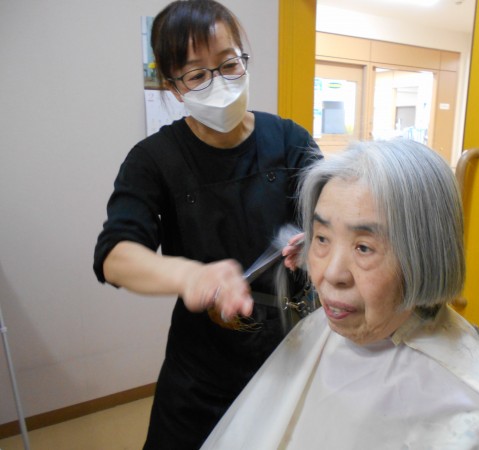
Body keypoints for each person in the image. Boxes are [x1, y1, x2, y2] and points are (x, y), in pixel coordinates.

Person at [201, 139, 479, 449]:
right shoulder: (321, 330)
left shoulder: (470, 414)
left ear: (424, 257)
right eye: (322, 238)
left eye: (364, 247)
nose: (330, 274)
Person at [93, 1, 321, 448]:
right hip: (202, 369)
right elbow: (115, 255)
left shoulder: (288, 139)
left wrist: (319, 241)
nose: (219, 83)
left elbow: (331, 211)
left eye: (229, 64)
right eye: (198, 75)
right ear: (174, 87)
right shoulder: (154, 159)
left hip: (289, 351)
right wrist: (191, 276)